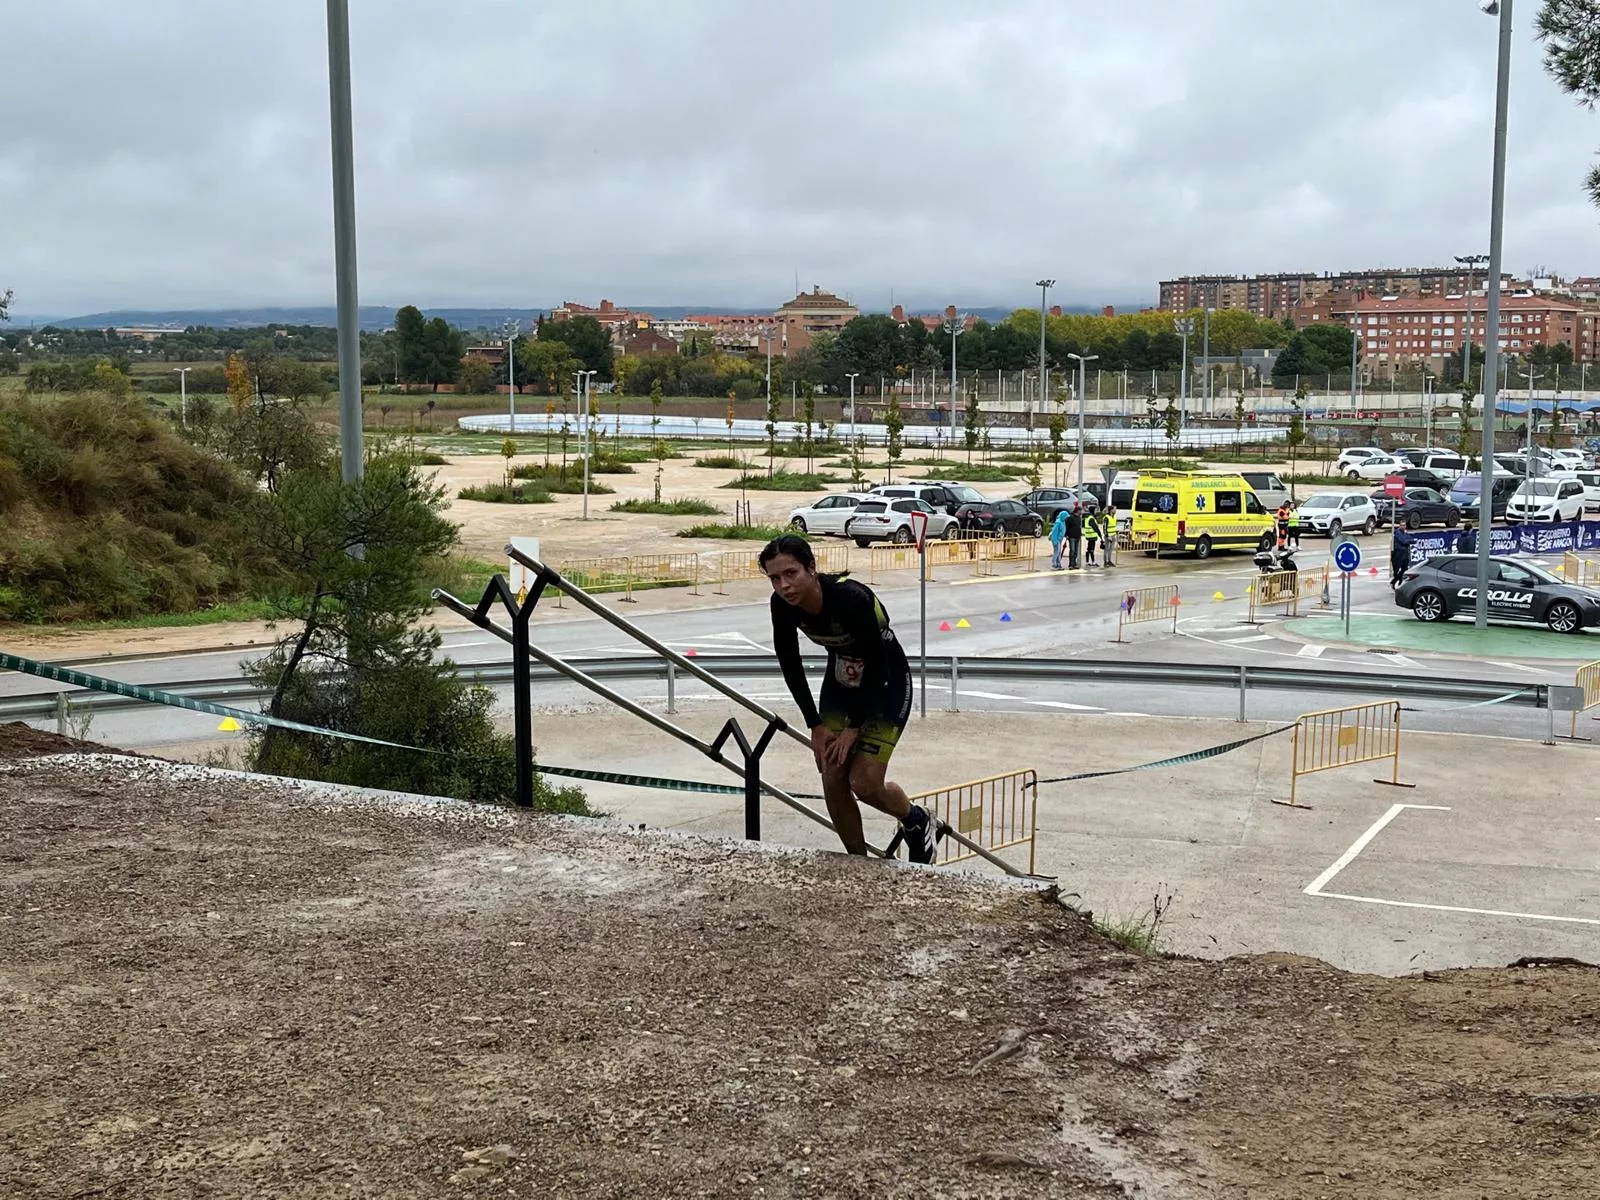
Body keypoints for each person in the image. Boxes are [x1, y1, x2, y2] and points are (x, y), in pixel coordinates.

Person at [760, 535, 938, 864]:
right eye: (774, 578)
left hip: (885, 680)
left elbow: (879, 666)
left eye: (791, 573)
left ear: (811, 568)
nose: (784, 586)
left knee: (865, 783)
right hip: (843, 678)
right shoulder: (781, 605)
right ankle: (858, 864)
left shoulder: (850, 598)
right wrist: (814, 723)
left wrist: (853, 728)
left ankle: (916, 820)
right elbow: (789, 661)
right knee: (832, 774)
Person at [1065, 504, 1084, 570]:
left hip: (1077, 536)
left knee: (1076, 551)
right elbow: (1067, 527)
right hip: (1071, 536)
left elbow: (1079, 527)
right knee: (1072, 550)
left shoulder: (1079, 518)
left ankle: (1074, 563)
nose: (1081, 512)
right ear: (1078, 511)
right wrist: (1066, 535)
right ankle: (1070, 564)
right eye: (1080, 511)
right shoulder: (1071, 518)